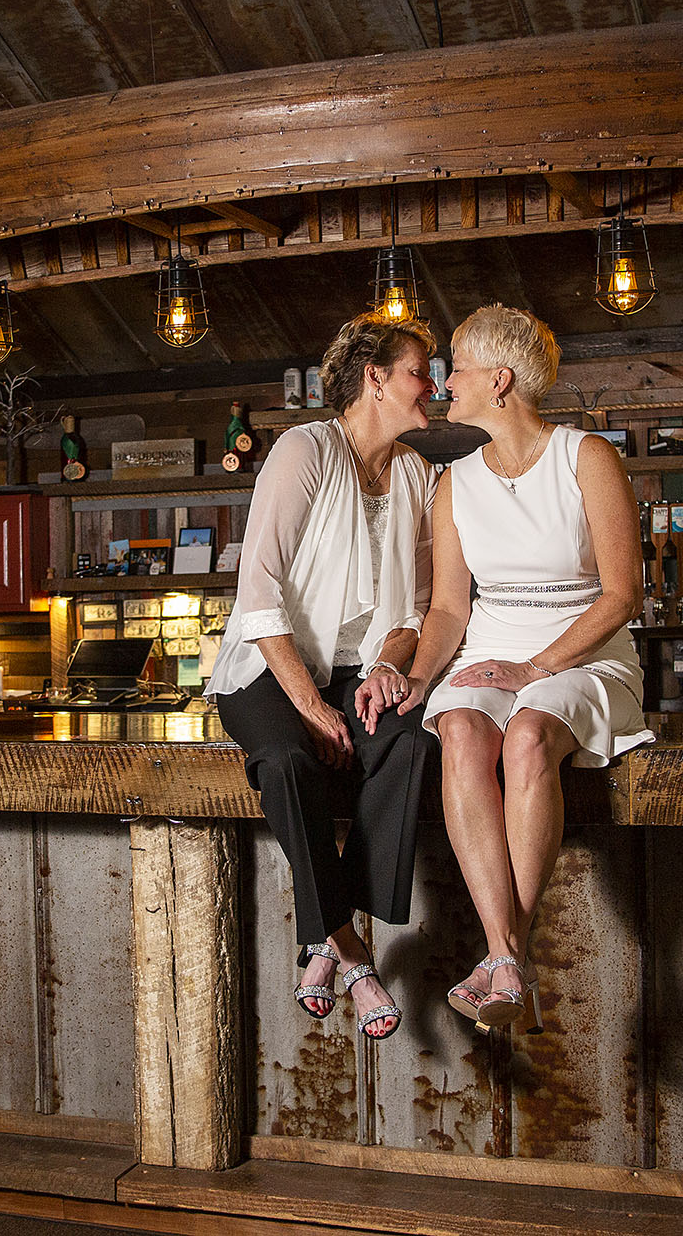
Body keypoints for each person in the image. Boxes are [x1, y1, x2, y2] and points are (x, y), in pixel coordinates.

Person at [395, 305, 651, 1031]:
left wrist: (536, 667)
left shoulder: (586, 457)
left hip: (584, 653)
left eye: (459, 367)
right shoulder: (454, 483)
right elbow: (447, 609)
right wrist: (419, 680)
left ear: (499, 381)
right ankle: (504, 959)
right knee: (464, 730)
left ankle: (508, 948)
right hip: (487, 648)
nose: (445, 380)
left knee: (529, 734)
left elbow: (621, 594)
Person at [205, 316, 440, 1041]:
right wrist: (308, 706)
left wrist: (384, 669)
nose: (429, 386)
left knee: (410, 746)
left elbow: (420, 607)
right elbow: (258, 594)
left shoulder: (416, 471)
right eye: (417, 372)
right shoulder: (303, 451)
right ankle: (352, 952)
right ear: (376, 379)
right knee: (283, 761)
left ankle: (321, 939)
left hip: (361, 670)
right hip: (269, 668)